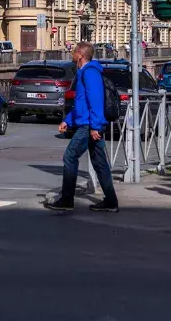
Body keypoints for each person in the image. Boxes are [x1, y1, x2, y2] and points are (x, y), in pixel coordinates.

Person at [44, 42, 119, 213]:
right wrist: (68, 121)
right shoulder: (84, 72)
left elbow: (95, 101)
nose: (71, 54)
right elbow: (81, 104)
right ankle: (111, 202)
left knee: (70, 156)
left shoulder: (90, 73)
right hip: (88, 123)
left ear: (80, 54)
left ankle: (67, 200)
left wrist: (95, 126)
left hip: (88, 126)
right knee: (100, 163)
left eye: (73, 52)